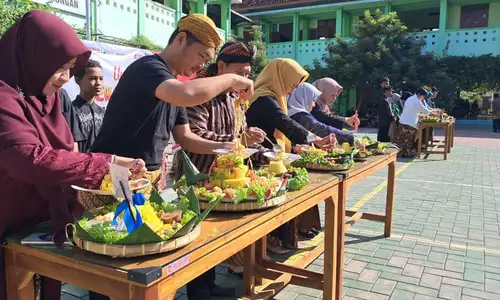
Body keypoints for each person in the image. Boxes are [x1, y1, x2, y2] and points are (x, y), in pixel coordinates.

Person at [90, 14, 253, 300]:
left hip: (148, 178)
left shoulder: (172, 84)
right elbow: (189, 93)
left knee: (139, 260)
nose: (202, 64)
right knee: (112, 264)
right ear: (181, 39)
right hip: (115, 177)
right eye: (202, 55)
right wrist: (230, 78)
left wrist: (229, 148)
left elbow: (186, 138)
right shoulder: (148, 68)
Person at [0, 11, 146, 300]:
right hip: (7, 227)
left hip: (42, 226)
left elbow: (66, 154)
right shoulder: (5, 97)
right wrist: (107, 163)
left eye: (69, 68)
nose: (65, 77)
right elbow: (27, 158)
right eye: (59, 67)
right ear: (32, 57)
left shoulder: (48, 99)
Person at [172, 41, 264, 277]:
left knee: (214, 239)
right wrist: (237, 142)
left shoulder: (232, 97)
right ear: (221, 66)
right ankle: (199, 291)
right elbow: (196, 134)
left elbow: (238, 131)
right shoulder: (200, 91)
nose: (243, 81)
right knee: (198, 238)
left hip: (223, 179)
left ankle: (209, 285)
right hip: (198, 176)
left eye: (247, 75)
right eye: (238, 75)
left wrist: (248, 135)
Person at [245, 58, 335, 253]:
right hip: (256, 158)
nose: (292, 90)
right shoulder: (264, 98)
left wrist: (295, 147)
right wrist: (316, 139)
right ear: (279, 78)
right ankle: (266, 244)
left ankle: (276, 239)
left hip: (269, 156)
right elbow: (284, 123)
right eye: (291, 84)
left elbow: (282, 130)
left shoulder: (275, 98)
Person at [287, 82, 355, 144]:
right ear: (304, 97)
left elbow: (308, 136)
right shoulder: (300, 115)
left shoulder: (293, 112)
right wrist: (351, 138)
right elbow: (321, 129)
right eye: (313, 100)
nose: (314, 105)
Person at [69, 59, 106, 153]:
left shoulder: (103, 112)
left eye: (101, 78)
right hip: (81, 164)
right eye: (92, 78)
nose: (98, 83)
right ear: (78, 80)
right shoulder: (71, 111)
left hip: (102, 165)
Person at [395, 88, 433, 157]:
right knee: (408, 140)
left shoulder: (410, 98)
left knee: (401, 139)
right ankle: (406, 153)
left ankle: (399, 153)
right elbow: (426, 111)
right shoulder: (416, 101)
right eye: (423, 96)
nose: (423, 98)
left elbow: (414, 110)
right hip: (410, 123)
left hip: (403, 121)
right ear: (419, 94)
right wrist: (435, 113)